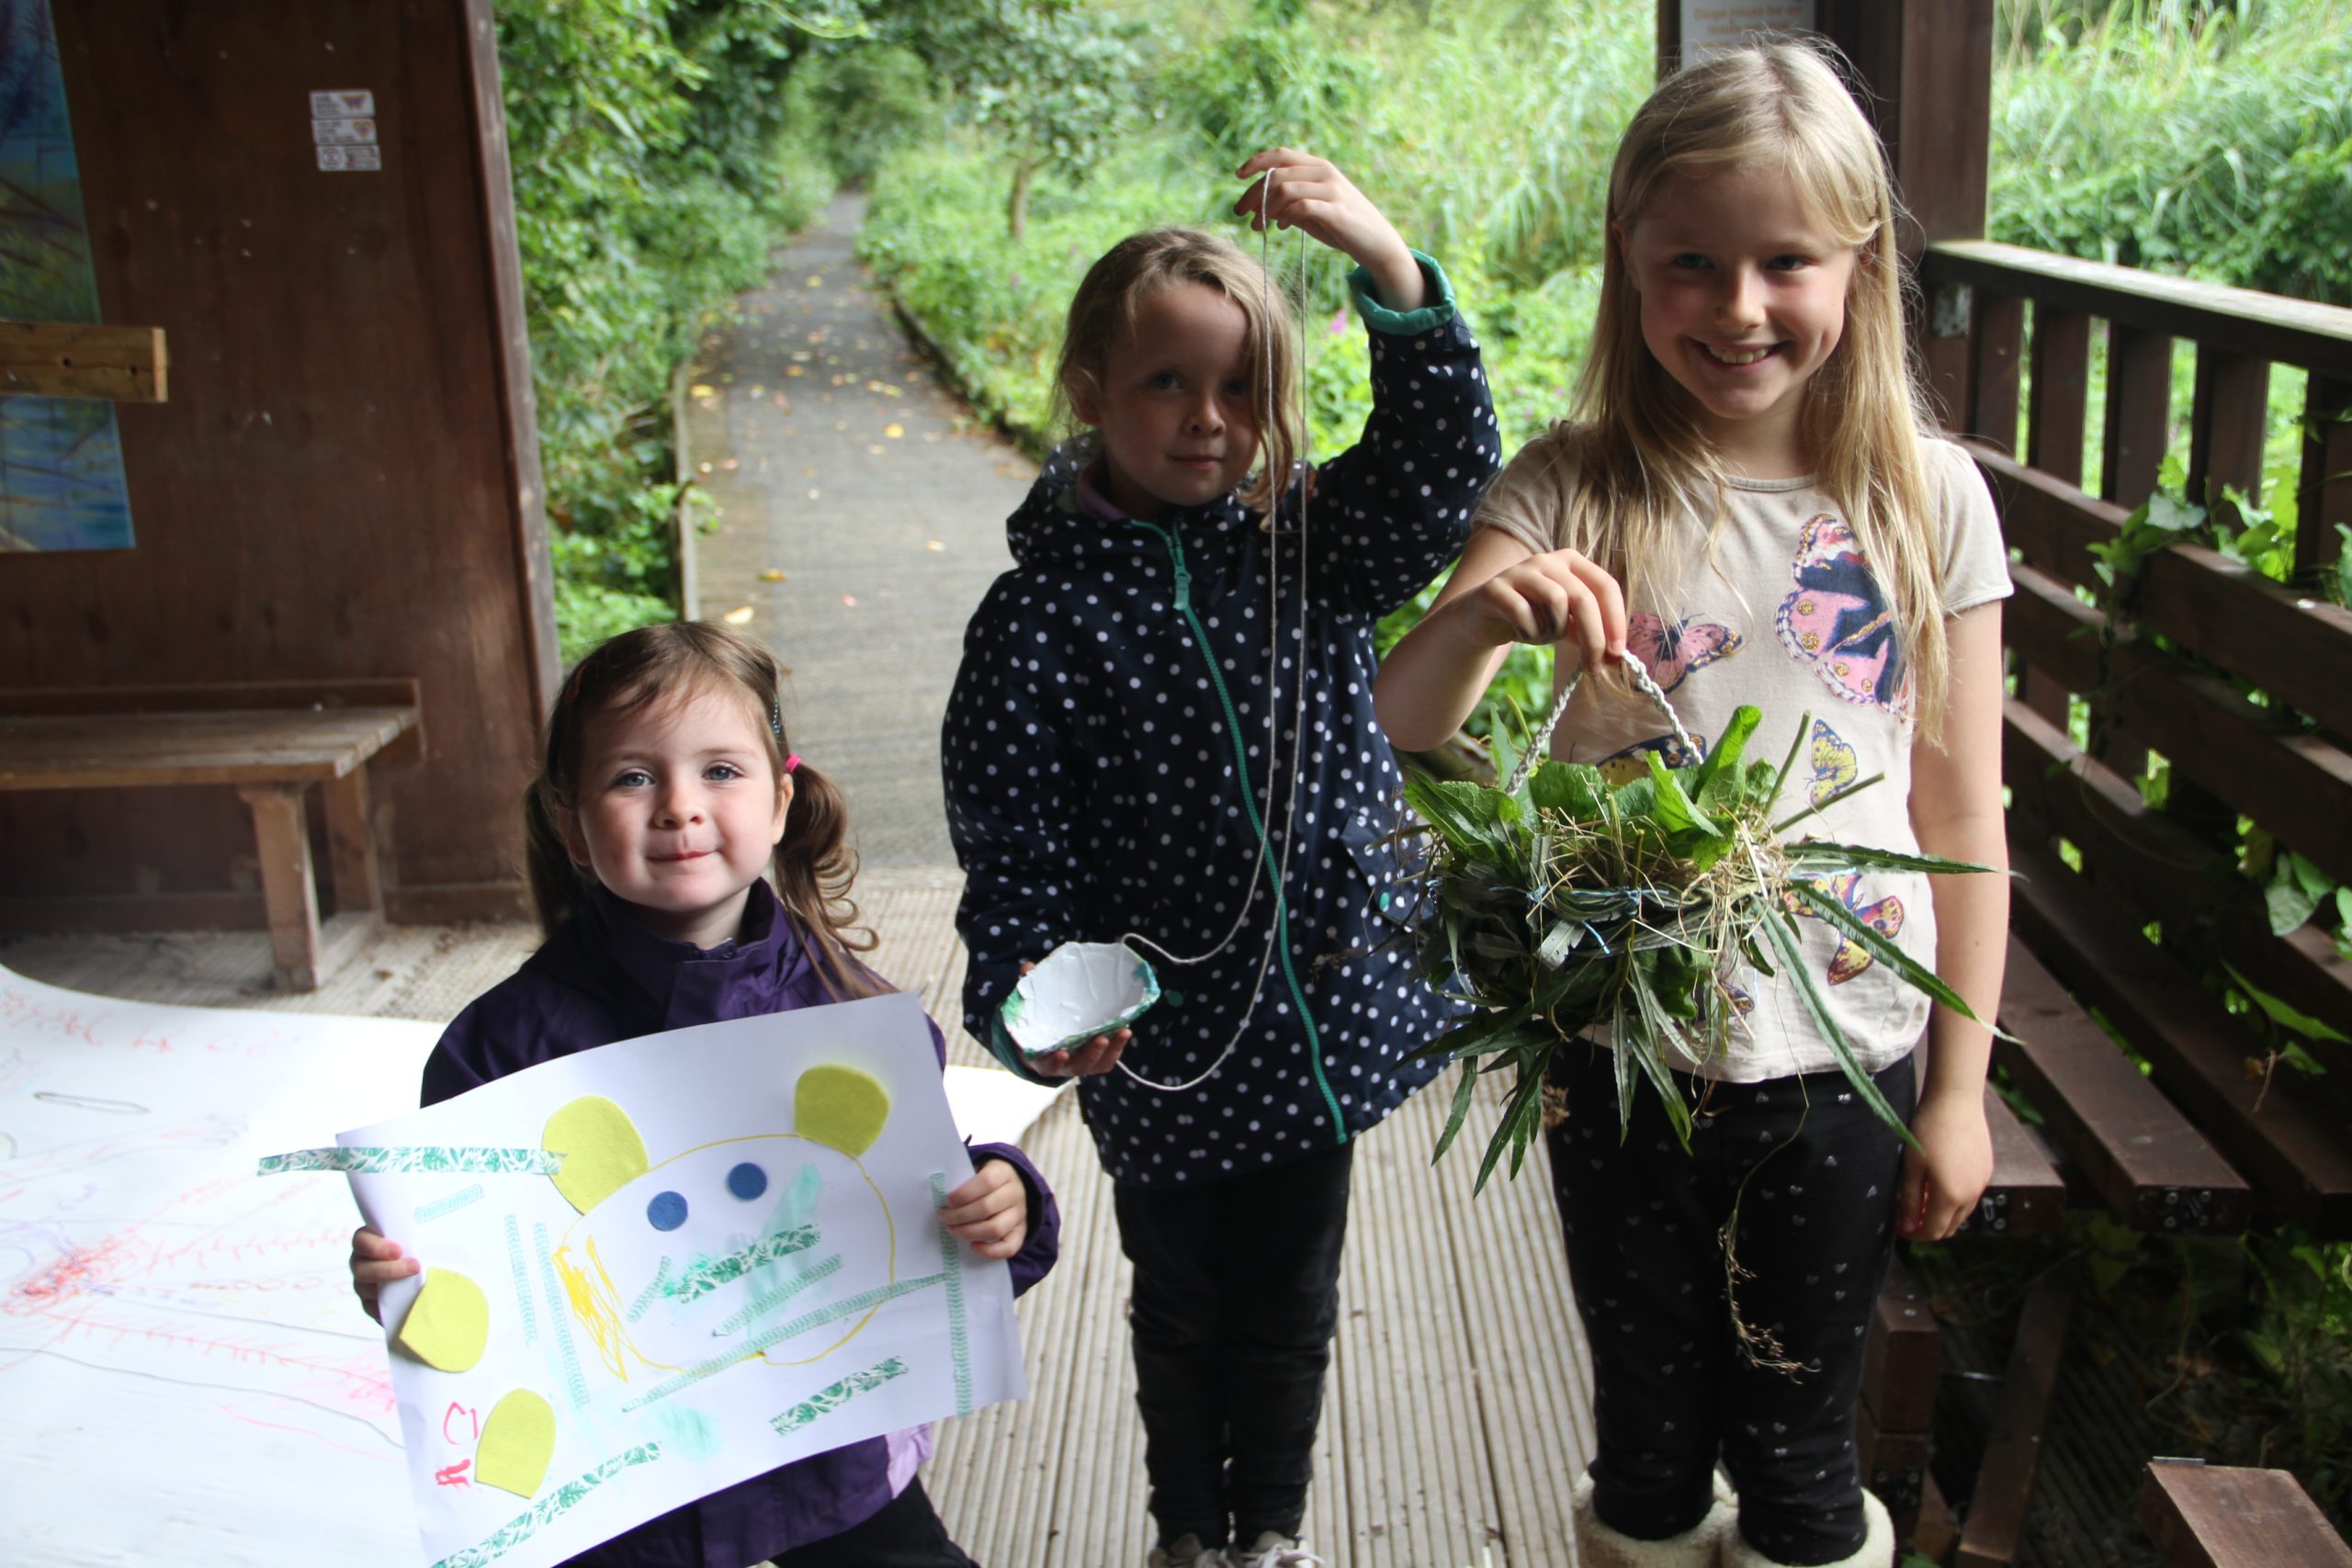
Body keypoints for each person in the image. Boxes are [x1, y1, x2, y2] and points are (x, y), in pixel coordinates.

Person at [1374, 42, 2008, 1568]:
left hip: (1843, 1051)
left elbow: (1963, 813)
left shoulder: (1928, 497)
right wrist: (1479, 618)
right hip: (1618, 1046)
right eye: (1692, 265)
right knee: (1644, 1441)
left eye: (1786, 261)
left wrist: (1961, 1090)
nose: (1738, 307)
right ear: (1630, 268)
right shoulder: (1572, 483)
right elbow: (1402, 724)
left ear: (1859, 265)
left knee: (1802, 1442)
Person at [943, 148, 1501, 1568]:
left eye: (1244, 388)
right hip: (1163, 1049)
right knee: (1180, 1297)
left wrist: (1385, 260)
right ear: (1088, 389)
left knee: (1295, 1296)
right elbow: (1015, 848)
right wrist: (1030, 999)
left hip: (1319, 1012)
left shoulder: (1309, 545)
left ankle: (1273, 1533)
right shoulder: (1035, 622)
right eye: (1168, 384)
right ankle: (1187, 1529)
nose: (1210, 420)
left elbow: (1443, 474)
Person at [349, 621, 1058, 1568]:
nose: (679, 807)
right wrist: (403, 1282)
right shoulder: (498, 1050)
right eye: (632, 777)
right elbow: (470, 1289)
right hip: (623, 1494)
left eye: (720, 770)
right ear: (568, 821)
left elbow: (928, 1223)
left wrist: (1000, 1196)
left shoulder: (855, 1019)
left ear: (779, 801)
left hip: (829, 1452)